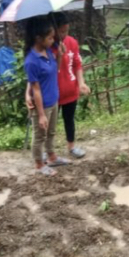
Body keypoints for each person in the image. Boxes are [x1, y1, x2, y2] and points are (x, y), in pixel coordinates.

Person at [26, 13, 90, 159]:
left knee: (69, 120)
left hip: (70, 91)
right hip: (52, 95)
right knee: (46, 126)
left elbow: (77, 64)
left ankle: (71, 146)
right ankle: (44, 152)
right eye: (61, 31)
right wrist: (27, 93)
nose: (64, 34)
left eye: (66, 31)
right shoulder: (46, 48)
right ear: (53, 30)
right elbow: (34, 75)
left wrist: (81, 83)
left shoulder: (71, 43)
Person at [24, 20, 69, 176]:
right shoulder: (31, 61)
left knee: (51, 132)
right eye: (49, 38)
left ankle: (51, 157)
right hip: (42, 105)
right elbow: (35, 89)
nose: (52, 41)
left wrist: (60, 56)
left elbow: (54, 70)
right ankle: (38, 164)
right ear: (38, 38)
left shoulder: (48, 52)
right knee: (39, 135)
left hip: (53, 100)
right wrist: (41, 114)